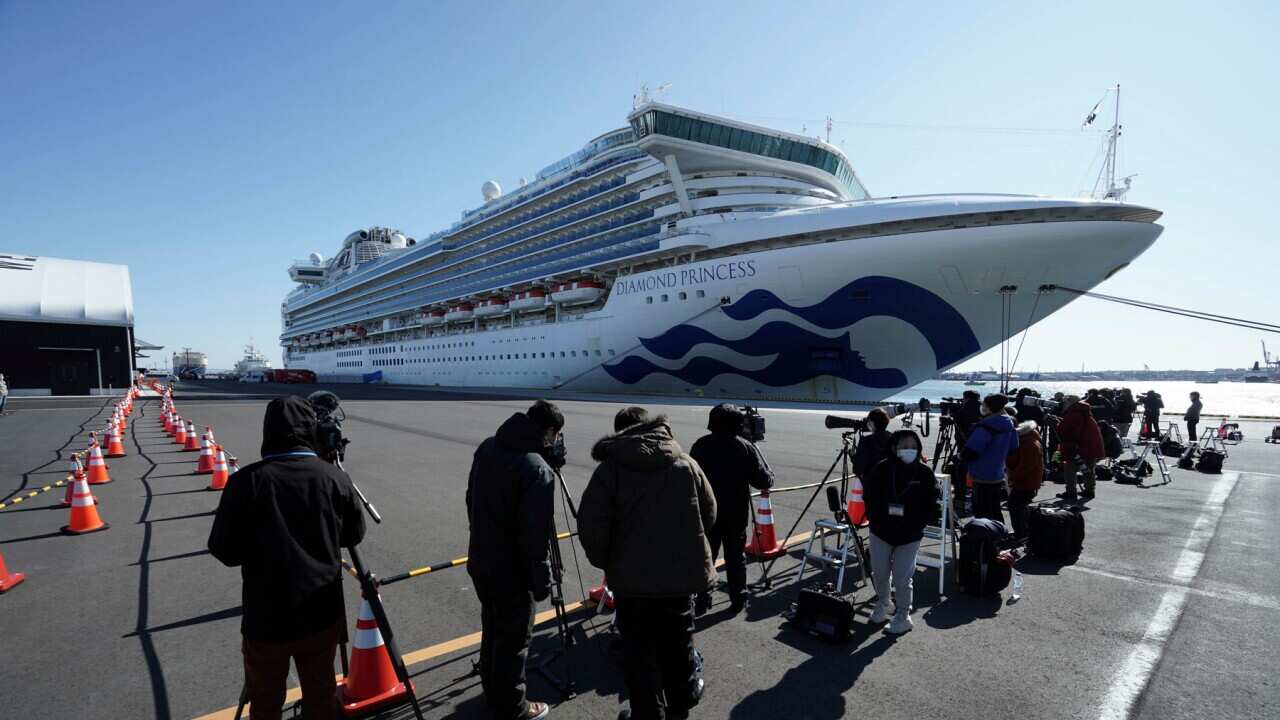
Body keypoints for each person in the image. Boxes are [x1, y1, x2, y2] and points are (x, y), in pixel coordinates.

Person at [208, 396, 367, 720]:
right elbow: (354, 535)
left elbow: (224, 550)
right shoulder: (334, 478)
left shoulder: (244, 482)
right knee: (320, 695)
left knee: (264, 700)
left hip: (265, 616)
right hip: (321, 612)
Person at [578, 407, 717, 720]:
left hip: (633, 587)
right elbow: (709, 514)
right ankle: (679, 713)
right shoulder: (685, 462)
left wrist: (608, 562)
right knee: (679, 650)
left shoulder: (610, 471)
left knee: (640, 658)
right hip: (679, 583)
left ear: (619, 433)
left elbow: (591, 525)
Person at [465, 399, 565, 720]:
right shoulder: (535, 468)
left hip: (481, 557)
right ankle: (513, 707)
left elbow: (471, 499)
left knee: (492, 628)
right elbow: (535, 536)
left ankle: (493, 694)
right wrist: (541, 581)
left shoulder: (488, 447)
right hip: (513, 570)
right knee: (514, 640)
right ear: (548, 432)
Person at [689, 404, 774, 614]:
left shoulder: (700, 445)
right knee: (736, 558)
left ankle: (702, 598)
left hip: (707, 513)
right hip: (735, 513)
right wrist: (768, 472)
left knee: (705, 557)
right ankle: (738, 599)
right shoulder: (744, 447)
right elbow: (763, 481)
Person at [861, 429, 938, 635]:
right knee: (879, 573)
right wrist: (876, 517)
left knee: (903, 578)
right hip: (881, 531)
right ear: (894, 448)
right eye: (904, 446)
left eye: (913, 447)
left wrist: (918, 522)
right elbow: (869, 496)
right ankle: (884, 603)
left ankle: (903, 615)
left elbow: (932, 503)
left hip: (909, 536)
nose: (909, 450)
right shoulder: (882, 469)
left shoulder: (924, 473)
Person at [961, 394, 1019, 523]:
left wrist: (962, 457)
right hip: (997, 473)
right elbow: (1013, 449)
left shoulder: (986, 426)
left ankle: (986, 539)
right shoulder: (1009, 423)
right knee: (994, 509)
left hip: (981, 474)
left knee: (982, 511)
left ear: (989, 407)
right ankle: (999, 534)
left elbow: (971, 451)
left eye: (984, 405)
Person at [1056, 395, 1105, 501]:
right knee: (1088, 470)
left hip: (1077, 447)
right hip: (1091, 446)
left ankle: (1071, 492)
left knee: (1070, 469)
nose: (1063, 405)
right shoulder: (1086, 412)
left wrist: (1057, 423)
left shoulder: (1073, 414)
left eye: (1064, 403)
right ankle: (1089, 491)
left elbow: (1064, 430)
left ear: (1069, 403)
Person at [1004, 415, 1044, 540]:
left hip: (1026, 481)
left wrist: (1012, 477)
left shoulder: (1028, 443)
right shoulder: (1028, 439)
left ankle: (1021, 534)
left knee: (1016, 506)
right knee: (1019, 506)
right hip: (1027, 480)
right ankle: (1023, 531)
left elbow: (1026, 466)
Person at [851, 407, 893, 479]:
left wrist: (854, 458)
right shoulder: (894, 438)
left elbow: (858, 470)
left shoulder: (866, 441)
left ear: (872, 423)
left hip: (872, 485)